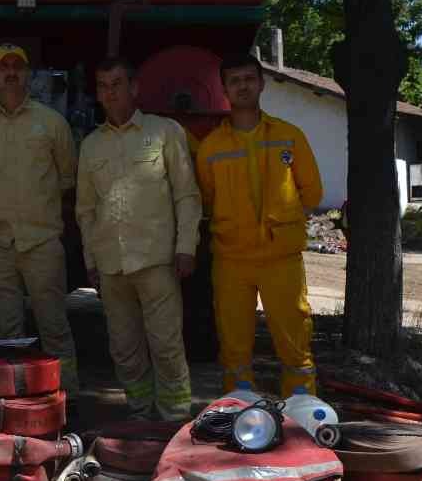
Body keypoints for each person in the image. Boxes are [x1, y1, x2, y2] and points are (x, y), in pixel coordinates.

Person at [77, 58, 203, 420]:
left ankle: (175, 415)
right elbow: (86, 209)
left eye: (117, 83)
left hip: (156, 260)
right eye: (103, 85)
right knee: (124, 348)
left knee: (166, 343)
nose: (110, 92)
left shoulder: (165, 132)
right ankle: (139, 409)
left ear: (134, 88)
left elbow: (186, 194)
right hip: (111, 264)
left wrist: (185, 247)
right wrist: (90, 259)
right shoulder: (91, 146)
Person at [195, 52, 324, 396]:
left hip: (281, 257)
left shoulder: (289, 136)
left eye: (249, 78)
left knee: (294, 337)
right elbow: (206, 198)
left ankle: (302, 409)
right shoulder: (210, 148)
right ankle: (239, 411)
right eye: (234, 81)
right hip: (231, 259)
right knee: (234, 342)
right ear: (223, 89)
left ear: (262, 83)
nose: (242, 86)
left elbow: (312, 192)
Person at [0, 44, 80, 394]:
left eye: (18, 66)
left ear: (28, 75)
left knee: (54, 327)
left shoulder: (52, 123)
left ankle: (67, 395)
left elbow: (68, 180)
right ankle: (15, 401)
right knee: (6, 332)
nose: (11, 72)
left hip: (42, 240)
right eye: (3, 67)